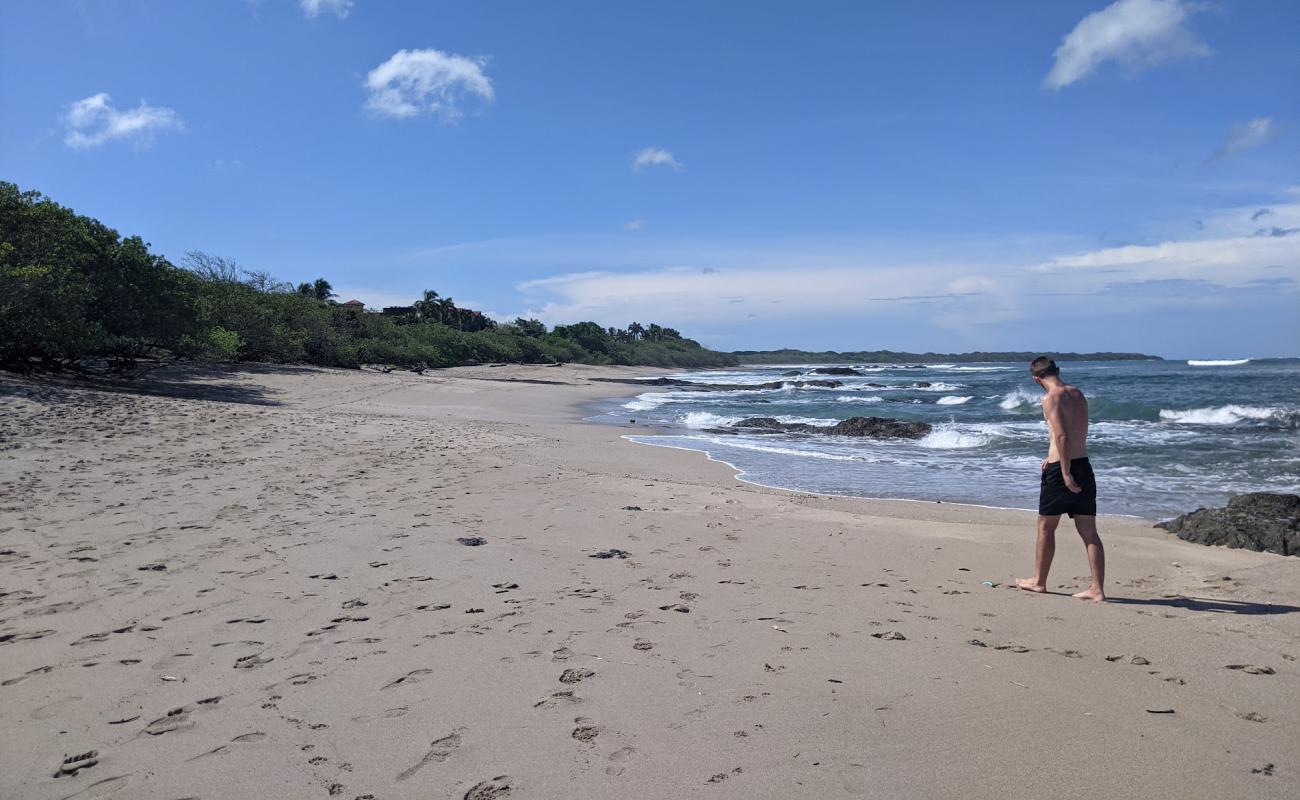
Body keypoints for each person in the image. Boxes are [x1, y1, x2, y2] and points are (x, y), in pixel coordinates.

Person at [1015, 356, 1105, 601]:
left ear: (1036, 379)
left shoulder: (1049, 398)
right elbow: (1076, 432)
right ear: (1058, 370)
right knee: (1089, 532)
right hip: (1084, 465)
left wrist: (1064, 471)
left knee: (1046, 527)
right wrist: (1051, 455)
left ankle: (1039, 581)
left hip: (1061, 471)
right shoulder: (1077, 394)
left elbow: (1063, 436)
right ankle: (1097, 589)